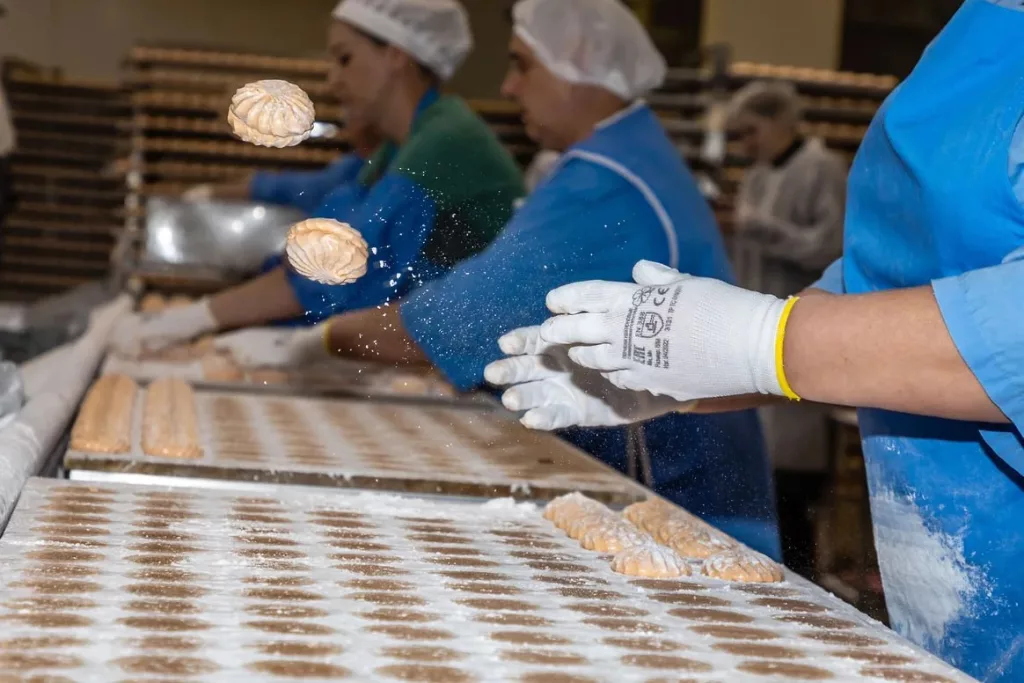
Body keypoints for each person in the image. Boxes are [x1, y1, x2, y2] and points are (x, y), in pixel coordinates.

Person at [485, 0, 1024, 678]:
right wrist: (692, 371)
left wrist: (765, 341)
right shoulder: (979, 28)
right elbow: (898, 268)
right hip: (955, 618)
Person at [218, 0, 781, 559]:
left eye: (522, 65)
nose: (509, 87)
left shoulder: (605, 181)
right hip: (660, 475)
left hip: (680, 498)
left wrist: (317, 341)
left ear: (578, 60)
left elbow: (457, 317)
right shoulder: (627, 153)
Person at [112, 0, 524, 356]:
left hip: (484, 359)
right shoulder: (396, 150)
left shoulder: (446, 140)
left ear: (396, 56)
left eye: (345, 59)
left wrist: (196, 319)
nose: (333, 80)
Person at [727, 79, 848, 579]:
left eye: (751, 132)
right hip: (751, 333)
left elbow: (830, 249)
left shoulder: (822, 169)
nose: (745, 146)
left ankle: (801, 584)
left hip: (801, 332)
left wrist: (759, 227)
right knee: (756, 481)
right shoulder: (756, 176)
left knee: (792, 490)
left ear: (781, 121)